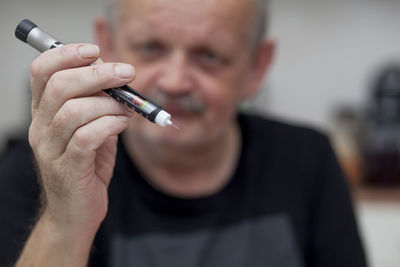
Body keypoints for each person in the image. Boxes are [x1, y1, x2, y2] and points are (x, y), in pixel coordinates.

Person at [0, 0, 367, 266]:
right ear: (106, 43)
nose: (175, 82)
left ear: (257, 66)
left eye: (209, 56)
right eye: (150, 48)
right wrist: (65, 219)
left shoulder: (307, 158)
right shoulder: (46, 166)